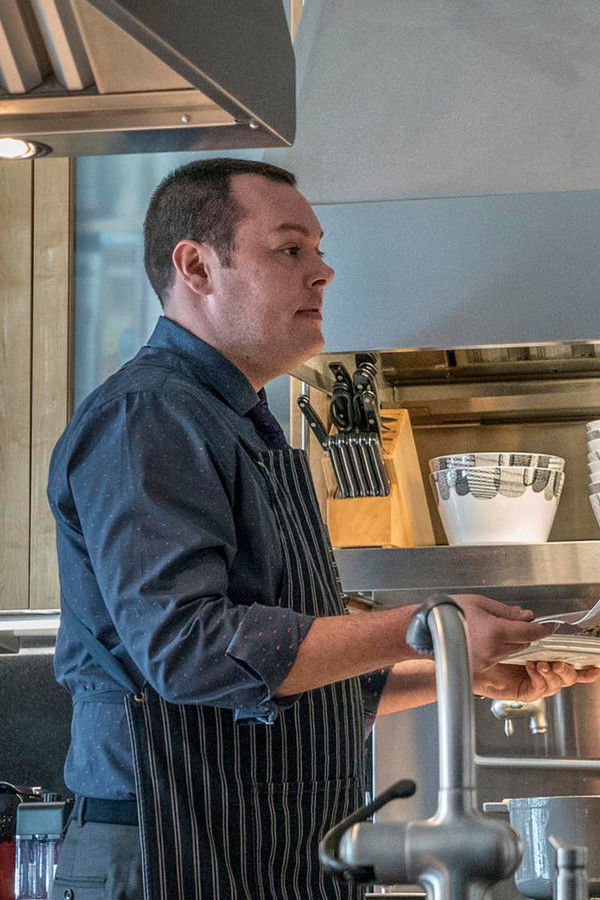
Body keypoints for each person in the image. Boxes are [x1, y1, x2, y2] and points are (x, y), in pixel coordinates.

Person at [47, 158, 599, 900]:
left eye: (317, 249)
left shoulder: (240, 422)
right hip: (172, 848)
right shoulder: (151, 415)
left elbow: (294, 686)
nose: (324, 271)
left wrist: (461, 671)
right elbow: (190, 648)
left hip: (258, 844)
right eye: (290, 249)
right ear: (197, 267)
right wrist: (430, 625)